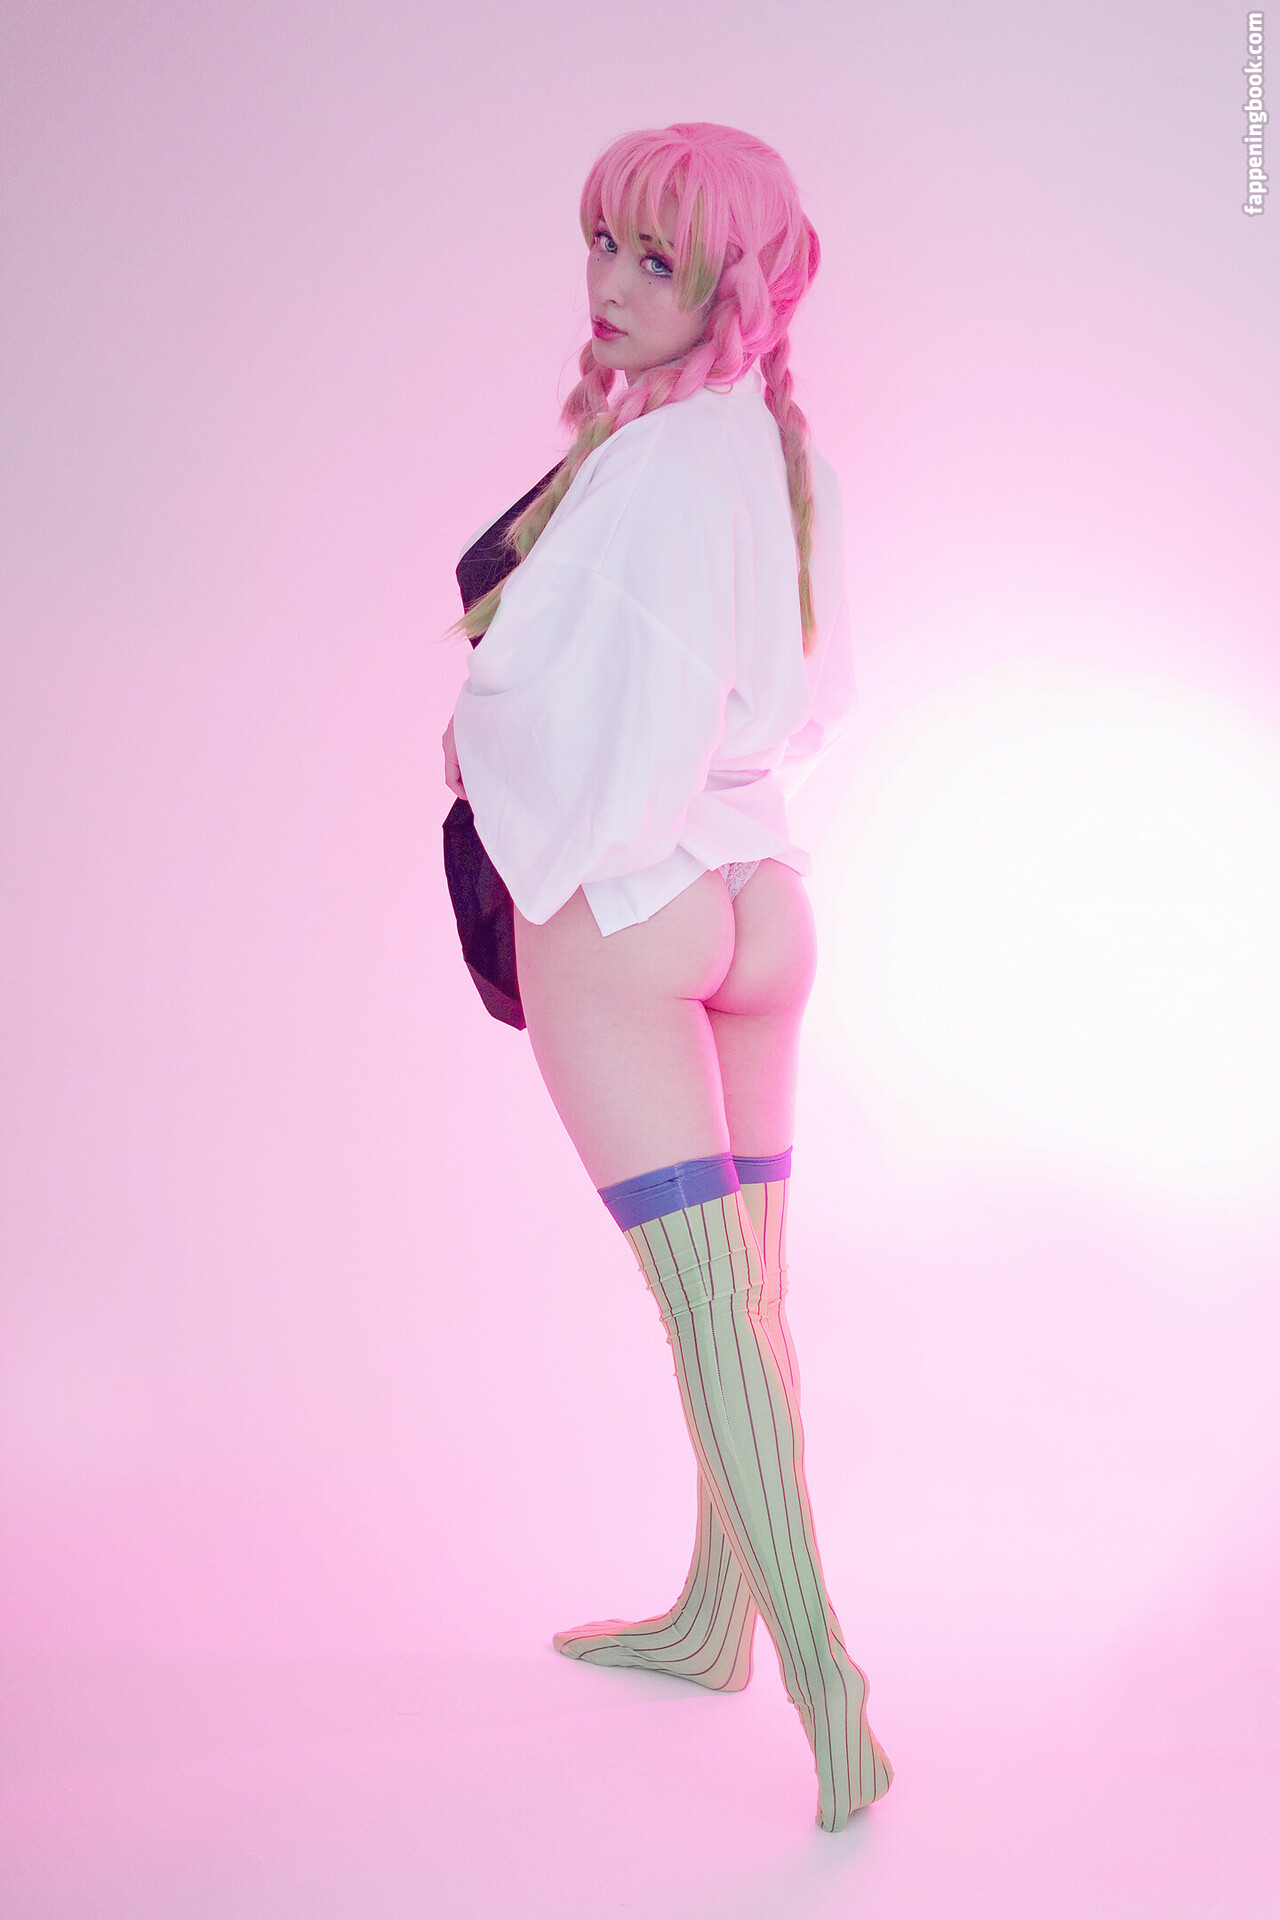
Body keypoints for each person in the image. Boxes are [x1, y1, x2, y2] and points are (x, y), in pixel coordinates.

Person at [441, 122, 892, 1832]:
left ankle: (827, 1682)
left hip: (633, 912)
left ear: (733, 280)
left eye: (657, 256)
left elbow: (541, 705)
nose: (614, 283)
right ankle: (716, 1619)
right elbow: (816, 692)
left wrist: (477, 721)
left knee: (712, 1317)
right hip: (761, 900)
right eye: (605, 244)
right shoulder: (786, 460)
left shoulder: (643, 469)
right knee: (751, 1304)